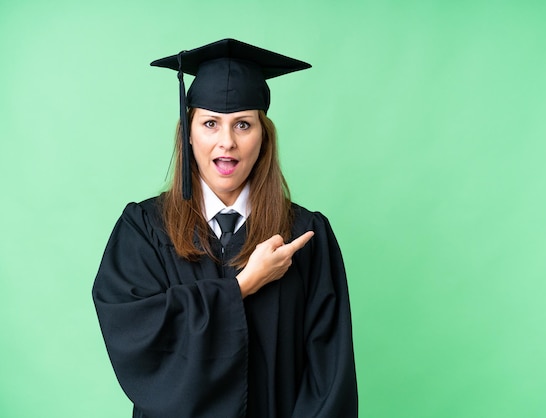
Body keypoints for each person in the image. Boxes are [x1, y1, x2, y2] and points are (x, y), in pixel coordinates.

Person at [92, 38, 358, 418]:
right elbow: (136, 333)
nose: (226, 142)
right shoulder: (145, 229)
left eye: (244, 125)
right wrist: (242, 286)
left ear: (264, 136)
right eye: (211, 123)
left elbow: (328, 377)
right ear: (188, 131)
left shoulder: (304, 235)